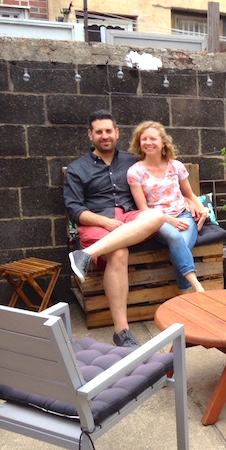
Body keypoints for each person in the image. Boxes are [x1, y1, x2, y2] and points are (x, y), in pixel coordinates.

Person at [64, 110, 165, 348]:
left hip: (129, 216)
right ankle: (122, 332)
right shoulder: (77, 169)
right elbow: (75, 210)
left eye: (109, 131)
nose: (105, 136)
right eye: (99, 132)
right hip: (96, 222)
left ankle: (85, 256)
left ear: (117, 133)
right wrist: (105, 222)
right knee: (119, 252)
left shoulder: (132, 161)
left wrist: (192, 202)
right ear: (90, 135)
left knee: (157, 214)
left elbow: (166, 171)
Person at [127, 121, 208, 293]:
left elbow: (190, 194)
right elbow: (143, 208)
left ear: (163, 142)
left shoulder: (176, 166)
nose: (148, 142)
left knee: (179, 247)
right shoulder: (135, 172)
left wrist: (203, 209)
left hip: (184, 215)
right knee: (175, 238)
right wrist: (168, 219)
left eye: (153, 139)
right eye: (144, 139)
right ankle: (197, 287)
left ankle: (184, 295)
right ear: (139, 143)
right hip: (157, 221)